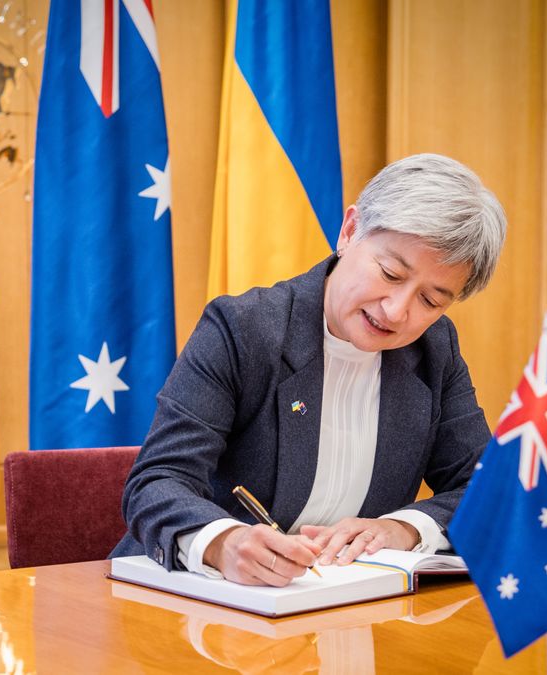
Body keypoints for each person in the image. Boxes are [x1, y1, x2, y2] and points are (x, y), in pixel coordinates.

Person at [110, 153, 507, 587]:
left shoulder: (435, 349)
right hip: (204, 605)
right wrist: (224, 543)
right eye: (391, 273)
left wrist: (406, 529)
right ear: (350, 231)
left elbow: (485, 491)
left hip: (344, 613)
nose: (397, 311)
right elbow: (156, 481)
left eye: (431, 301)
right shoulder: (244, 329)